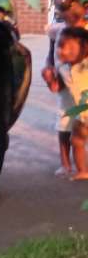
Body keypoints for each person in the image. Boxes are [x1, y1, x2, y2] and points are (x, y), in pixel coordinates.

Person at [46, 25, 88, 180]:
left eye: (70, 48)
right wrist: (49, 78)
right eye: (60, 46)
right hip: (79, 112)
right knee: (76, 140)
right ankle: (81, 170)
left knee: (77, 140)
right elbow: (57, 87)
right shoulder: (61, 67)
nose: (62, 51)